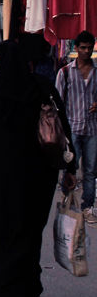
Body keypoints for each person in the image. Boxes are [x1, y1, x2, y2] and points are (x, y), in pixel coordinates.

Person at [0, 40, 77, 297]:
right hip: (40, 175)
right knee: (31, 230)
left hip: (7, 176)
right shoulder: (43, 87)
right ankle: (29, 287)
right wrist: (71, 166)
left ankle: (6, 291)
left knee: (5, 230)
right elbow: (62, 128)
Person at [55, 29, 97, 224]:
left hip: (93, 129)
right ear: (76, 49)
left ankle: (88, 207)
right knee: (70, 168)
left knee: (90, 170)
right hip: (72, 129)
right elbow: (57, 103)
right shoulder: (65, 72)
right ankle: (67, 201)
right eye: (83, 48)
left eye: (89, 48)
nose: (86, 51)